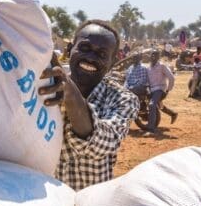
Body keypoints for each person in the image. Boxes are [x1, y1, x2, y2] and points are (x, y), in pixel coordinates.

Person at [39, 20, 139, 190]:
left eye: (101, 54)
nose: (90, 58)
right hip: (49, 205)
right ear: (70, 50)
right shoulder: (44, 86)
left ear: (112, 61)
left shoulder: (123, 98)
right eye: (84, 48)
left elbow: (101, 145)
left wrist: (70, 94)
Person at [145, 51, 177, 132]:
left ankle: (151, 126)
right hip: (151, 90)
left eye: (155, 56)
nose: (153, 57)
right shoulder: (148, 68)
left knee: (152, 105)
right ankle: (172, 114)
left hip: (160, 89)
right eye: (151, 56)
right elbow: (148, 81)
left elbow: (171, 78)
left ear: (158, 57)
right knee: (158, 105)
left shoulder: (162, 66)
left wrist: (168, 90)